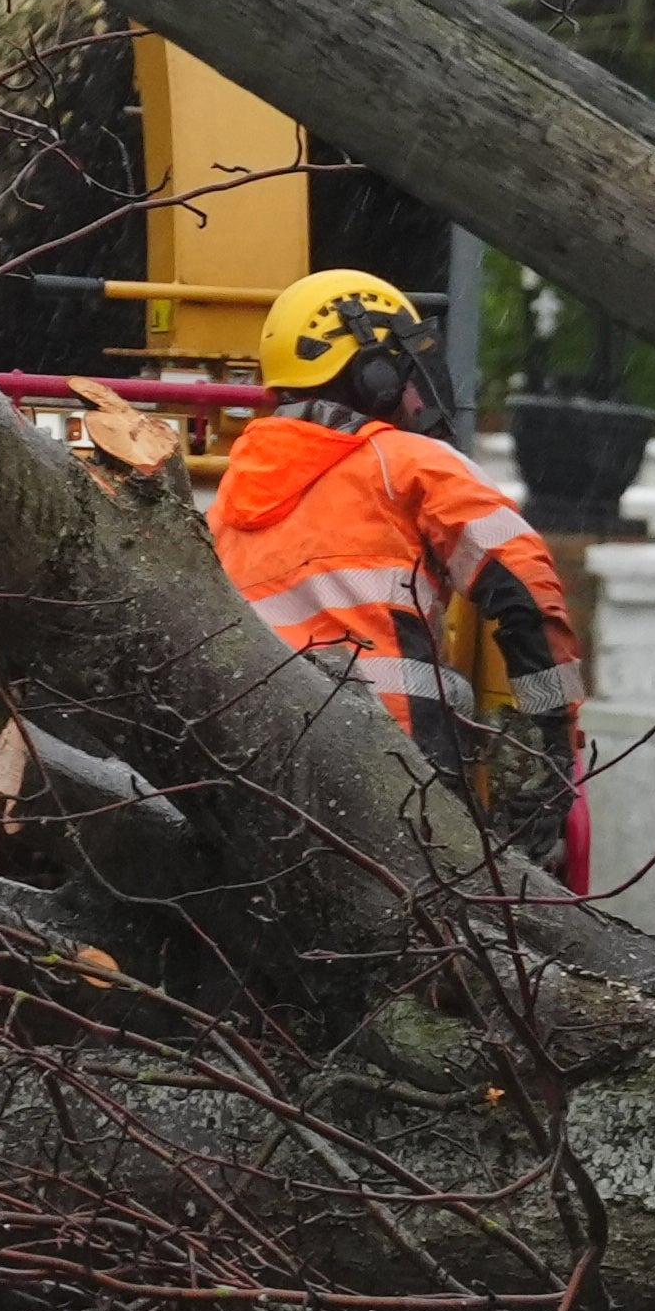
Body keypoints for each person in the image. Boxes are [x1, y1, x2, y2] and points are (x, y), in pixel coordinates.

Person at [212, 267, 581, 873]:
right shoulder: (406, 462)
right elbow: (525, 592)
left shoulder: (231, 491)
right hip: (392, 775)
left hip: (252, 771)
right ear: (374, 374)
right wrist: (553, 751)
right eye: (406, 369)